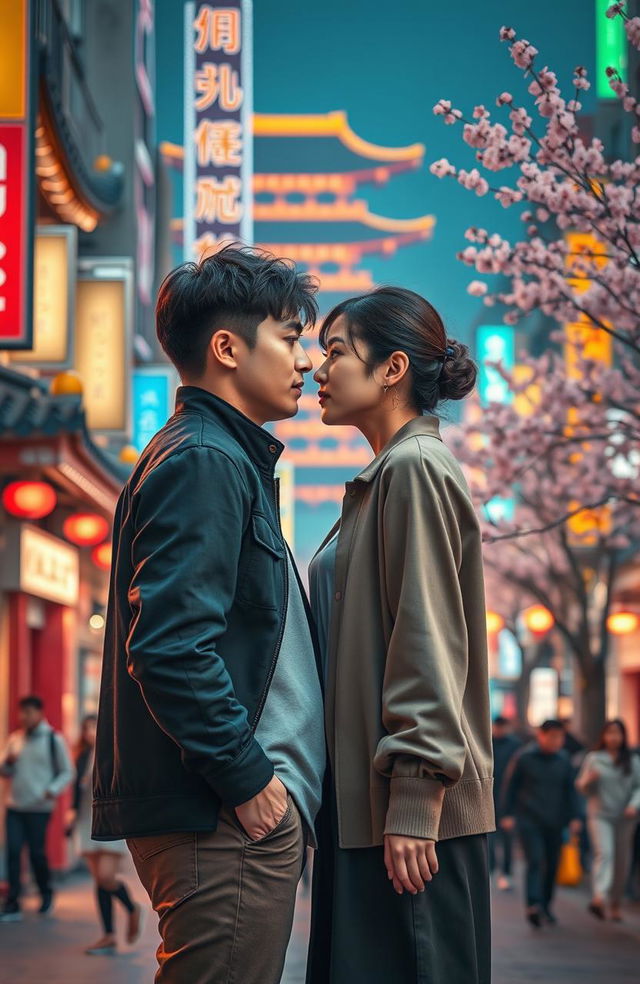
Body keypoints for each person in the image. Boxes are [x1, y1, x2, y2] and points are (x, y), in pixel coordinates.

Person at [93, 246, 326, 984]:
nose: (306, 362)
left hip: (224, 814)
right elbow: (167, 647)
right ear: (227, 347)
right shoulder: (205, 461)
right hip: (224, 817)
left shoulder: (218, 457)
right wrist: (248, 779)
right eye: (289, 338)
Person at [307, 286, 495, 984]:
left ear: (390, 369)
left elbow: (425, 639)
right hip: (373, 816)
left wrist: (414, 801)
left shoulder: (414, 470)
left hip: (410, 826)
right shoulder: (389, 473)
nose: (318, 370)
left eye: (334, 352)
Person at [66, 714, 142, 954]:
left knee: (106, 876)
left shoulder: (116, 753)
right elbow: (77, 789)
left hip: (112, 820)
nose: (90, 732)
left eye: (94, 727)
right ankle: (108, 935)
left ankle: (132, 908)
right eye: (86, 727)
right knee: (99, 880)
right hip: (86, 821)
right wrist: (71, 813)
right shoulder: (83, 756)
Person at [501, 719, 583, 928]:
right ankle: (533, 905)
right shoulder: (524, 757)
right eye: (553, 737)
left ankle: (546, 906)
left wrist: (575, 816)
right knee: (535, 860)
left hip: (556, 820)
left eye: (560, 737)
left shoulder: (564, 759)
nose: (557, 741)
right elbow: (510, 787)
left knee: (552, 864)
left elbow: (570, 790)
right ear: (541, 736)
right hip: (529, 819)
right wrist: (507, 814)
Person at [0, 695, 74, 921]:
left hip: (39, 808)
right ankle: (12, 902)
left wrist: (51, 790)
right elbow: (4, 771)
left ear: (39, 714)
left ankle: (46, 892)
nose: (24, 716)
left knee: (36, 854)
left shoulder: (54, 740)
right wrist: (8, 763)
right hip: (15, 806)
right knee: (12, 852)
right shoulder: (15, 739)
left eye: (29, 712)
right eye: (22, 712)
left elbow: (67, 771)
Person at [576, 718, 640, 922]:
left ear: (623, 736)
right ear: (603, 736)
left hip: (625, 818)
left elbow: (639, 787)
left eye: (618, 733)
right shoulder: (594, 759)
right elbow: (581, 786)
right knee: (605, 853)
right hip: (599, 815)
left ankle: (615, 904)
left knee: (622, 861)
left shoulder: (633, 760)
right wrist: (587, 780)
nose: (614, 737)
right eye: (609, 733)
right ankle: (599, 897)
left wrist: (634, 805)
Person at [490, 715, 522, 890]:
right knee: (490, 838)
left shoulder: (515, 745)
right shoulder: (488, 741)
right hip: (489, 796)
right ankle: (491, 868)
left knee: (507, 838)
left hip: (508, 799)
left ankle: (506, 872)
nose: (499, 730)